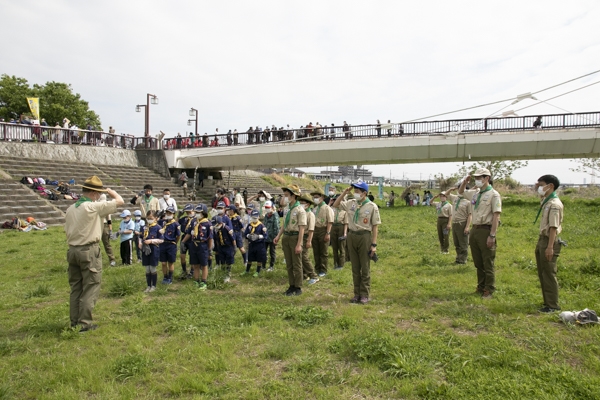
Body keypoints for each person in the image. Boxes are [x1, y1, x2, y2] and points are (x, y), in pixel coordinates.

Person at [64, 176, 123, 331]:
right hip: (89, 250)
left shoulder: (71, 208)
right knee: (90, 286)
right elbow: (120, 201)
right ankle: (84, 323)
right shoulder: (92, 207)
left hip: (72, 250)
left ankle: (74, 321)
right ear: (95, 193)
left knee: (76, 287)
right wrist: (111, 192)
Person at [333, 180, 381, 304]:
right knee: (355, 267)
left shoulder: (371, 206)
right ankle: (356, 293)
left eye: (358, 191)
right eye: (354, 190)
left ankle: (364, 294)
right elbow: (336, 204)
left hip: (364, 236)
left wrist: (373, 244)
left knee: (364, 267)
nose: (355, 193)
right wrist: (344, 193)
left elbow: (375, 226)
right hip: (351, 235)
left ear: (364, 193)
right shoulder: (351, 203)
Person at [458, 168, 502, 299]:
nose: (477, 180)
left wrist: (492, 235)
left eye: (479, 178)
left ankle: (489, 289)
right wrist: (465, 182)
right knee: (478, 262)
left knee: (487, 261)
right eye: (475, 178)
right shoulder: (476, 193)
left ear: (487, 178)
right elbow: (460, 192)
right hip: (475, 229)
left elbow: (496, 216)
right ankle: (481, 286)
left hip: (485, 229)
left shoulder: (494, 195)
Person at [534, 175, 564, 313]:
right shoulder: (547, 201)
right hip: (542, 240)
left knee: (549, 273)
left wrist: (550, 247)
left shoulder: (554, 204)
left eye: (541, 184)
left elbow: (553, 227)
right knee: (542, 272)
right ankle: (547, 302)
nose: (539, 187)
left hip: (549, 241)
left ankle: (552, 305)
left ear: (550, 186)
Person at [272, 185, 307, 296]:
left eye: (287, 195)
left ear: (294, 196)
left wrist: (299, 244)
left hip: (295, 237)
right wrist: (278, 236)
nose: (285, 197)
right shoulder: (287, 208)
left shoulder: (300, 210)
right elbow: (284, 224)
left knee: (297, 264)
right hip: (286, 236)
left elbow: (302, 228)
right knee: (289, 263)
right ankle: (291, 285)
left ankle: (298, 287)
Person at [185, 204, 213, 290]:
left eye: (199, 212)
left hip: (202, 245)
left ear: (204, 213)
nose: (197, 214)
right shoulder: (194, 221)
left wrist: (209, 250)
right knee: (195, 264)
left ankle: (204, 282)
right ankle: (196, 280)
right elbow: (189, 233)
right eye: (196, 212)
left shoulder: (208, 223)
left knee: (204, 264)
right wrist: (183, 242)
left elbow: (210, 238)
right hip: (194, 244)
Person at [445, 187, 473, 264]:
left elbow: (470, 215)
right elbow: (446, 194)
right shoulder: (455, 198)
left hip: (462, 223)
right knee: (456, 242)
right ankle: (458, 258)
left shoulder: (468, 202)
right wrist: (451, 189)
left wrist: (467, 226)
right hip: (455, 223)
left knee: (463, 243)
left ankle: (463, 260)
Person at [310, 188, 334, 277]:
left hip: (323, 230)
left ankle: (323, 270)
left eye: (317, 197)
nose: (315, 199)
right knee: (316, 251)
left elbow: (330, 221)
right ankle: (317, 268)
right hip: (315, 230)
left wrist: (328, 233)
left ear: (322, 197)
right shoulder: (315, 208)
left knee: (323, 251)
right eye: (314, 197)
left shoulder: (327, 208)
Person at [140, 210, 163, 293]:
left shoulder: (158, 228)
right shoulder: (144, 227)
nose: (149, 220)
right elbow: (140, 236)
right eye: (148, 218)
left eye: (151, 218)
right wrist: (140, 243)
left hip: (154, 249)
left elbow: (161, 240)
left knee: (152, 268)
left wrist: (151, 241)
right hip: (145, 249)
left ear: (156, 218)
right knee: (147, 268)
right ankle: (148, 285)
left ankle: (154, 286)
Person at [299, 194, 319, 285]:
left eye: (303, 203)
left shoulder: (310, 214)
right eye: (300, 202)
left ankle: (313, 275)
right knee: (299, 256)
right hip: (299, 236)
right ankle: (304, 274)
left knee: (304, 256)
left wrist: (309, 240)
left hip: (306, 236)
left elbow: (311, 229)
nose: (301, 204)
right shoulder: (301, 212)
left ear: (308, 204)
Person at [158, 206, 181, 284]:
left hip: (171, 244)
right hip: (163, 244)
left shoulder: (175, 224)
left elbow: (178, 235)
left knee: (170, 262)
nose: (168, 214)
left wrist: (175, 243)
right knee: (163, 262)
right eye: (167, 213)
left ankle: (170, 277)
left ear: (173, 214)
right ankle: (165, 276)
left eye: (170, 213)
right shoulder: (163, 222)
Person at [242, 210, 268, 277]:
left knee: (259, 258)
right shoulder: (250, 225)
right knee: (250, 258)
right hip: (252, 244)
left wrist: (258, 236)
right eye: (253, 217)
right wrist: (248, 236)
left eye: (256, 218)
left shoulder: (261, 226)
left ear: (258, 217)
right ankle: (247, 270)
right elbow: (245, 233)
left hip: (259, 245)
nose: (254, 219)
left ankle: (257, 271)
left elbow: (265, 236)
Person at [214, 215, 235, 282]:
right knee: (222, 260)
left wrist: (234, 247)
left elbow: (232, 239)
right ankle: (223, 273)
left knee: (228, 261)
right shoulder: (216, 230)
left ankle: (228, 274)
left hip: (228, 246)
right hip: (221, 247)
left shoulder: (227, 228)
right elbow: (217, 239)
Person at [330, 192, 348, 270]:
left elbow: (346, 223)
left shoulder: (344, 210)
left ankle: (341, 264)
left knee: (341, 247)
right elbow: (326, 211)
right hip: (333, 227)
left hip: (341, 227)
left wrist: (344, 233)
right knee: (334, 247)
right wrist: (330, 202)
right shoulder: (332, 209)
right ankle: (335, 263)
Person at [98, 193, 117, 266]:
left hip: (104, 224)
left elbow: (109, 219)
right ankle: (97, 259)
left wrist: (110, 229)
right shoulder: (97, 206)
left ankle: (112, 259)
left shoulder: (106, 207)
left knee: (106, 243)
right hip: (98, 225)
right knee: (97, 243)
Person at [178, 204, 195, 279]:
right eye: (187, 212)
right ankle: (184, 270)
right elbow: (175, 223)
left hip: (192, 238)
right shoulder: (184, 219)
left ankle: (192, 271)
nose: (188, 213)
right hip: (184, 236)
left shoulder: (195, 219)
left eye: (189, 211)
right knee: (182, 256)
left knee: (192, 256)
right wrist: (178, 216)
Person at [263, 201, 280, 271]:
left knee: (272, 252)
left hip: (272, 237)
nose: (267, 209)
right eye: (266, 208)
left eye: (268, 208)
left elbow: (276, 227)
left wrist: (276, 237)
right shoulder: (266, 215)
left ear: (272, 207)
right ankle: (263, 265)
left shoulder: (275, 215)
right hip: (266, 237)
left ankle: (271, 266)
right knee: (264, 251)